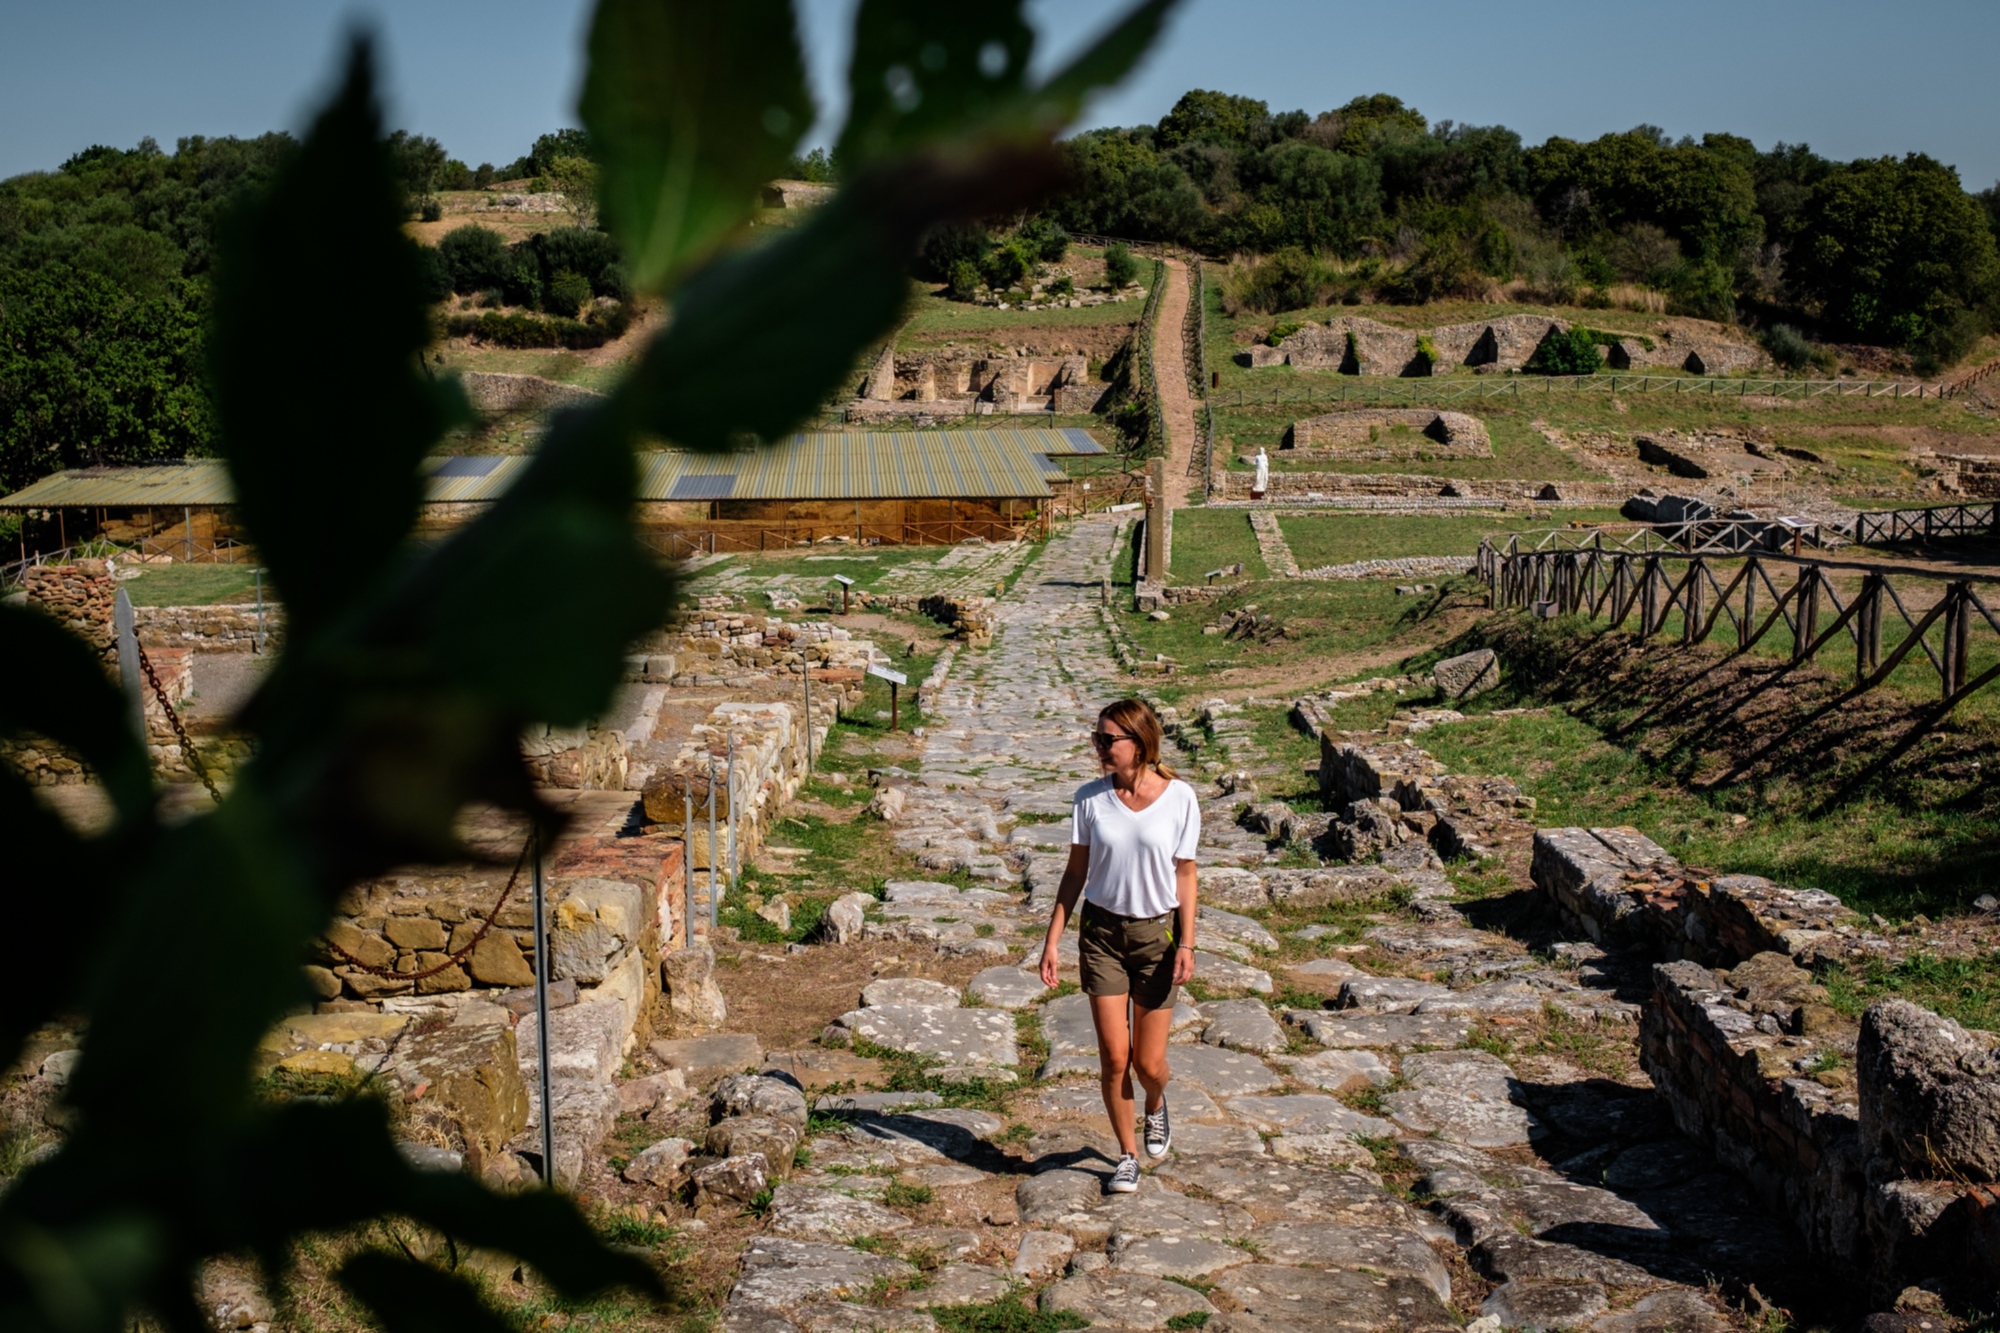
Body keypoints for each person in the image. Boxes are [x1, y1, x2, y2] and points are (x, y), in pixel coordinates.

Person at [1039, 698, 1200, 1194]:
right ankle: (1126, 1154)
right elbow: (1075, 873)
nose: (1100, 748)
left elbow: (1186, 875)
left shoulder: (1180, 798)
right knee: (1113, 1058)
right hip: (1103, 936)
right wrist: (1052, 939)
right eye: (1098, 739)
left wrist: (1187, 943)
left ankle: (1155, 1103)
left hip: (1157, 936)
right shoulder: (1089, 799)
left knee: (1148, 1065)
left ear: (1140, 742)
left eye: (1109, 740)